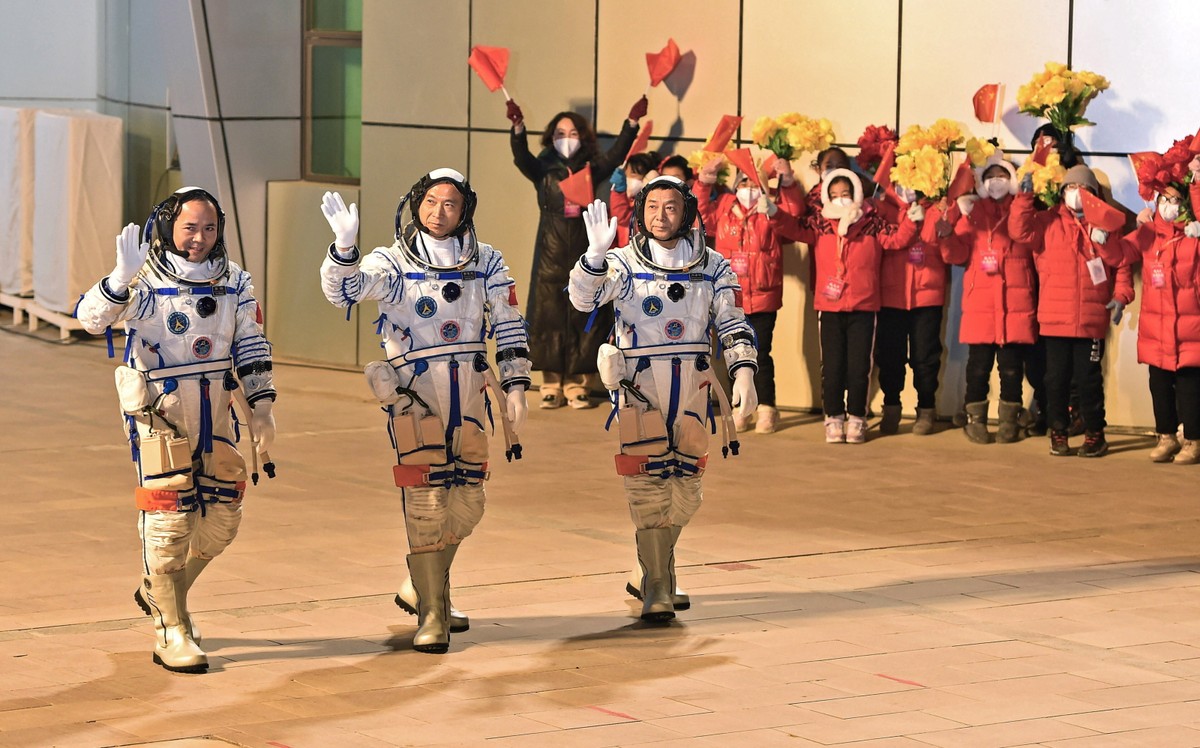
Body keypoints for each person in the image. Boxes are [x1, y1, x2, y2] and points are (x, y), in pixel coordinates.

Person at [318, 169, 531, 653]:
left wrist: (516, 384)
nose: (439, 212)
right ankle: (432, 613)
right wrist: (344, 248)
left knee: (470, 498)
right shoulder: (392, 262)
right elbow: (345, 292)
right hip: (416, 396)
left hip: (473, 392)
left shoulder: (487, 261)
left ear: (465, 209)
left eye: (450, 204)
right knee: (428, 502)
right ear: (416, 204)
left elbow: (510, 323)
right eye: (430, 202)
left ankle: (424, 585)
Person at [76, 187, 277, 674]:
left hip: (217, 410)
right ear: (167, 227)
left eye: (209, 228)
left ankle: (162, 590)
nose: (200, 239)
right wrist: (119, 278)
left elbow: (250, 343)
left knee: (224, 516)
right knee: (168, 522)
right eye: (189, 228)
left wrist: (262, 408)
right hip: (160, 413)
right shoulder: (144, 280)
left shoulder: (234, 282)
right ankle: (172, 627)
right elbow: (88, 319)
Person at [567, 176, 758, 622]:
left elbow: (733, 322)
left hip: (693, 385)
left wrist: (744, 372)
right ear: (640, 211)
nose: (660, 216)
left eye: (670, 207)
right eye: (652, 207)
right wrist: (594, 256)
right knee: (648, 484)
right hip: (640, 388)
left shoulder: (713, 266)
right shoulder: (622, 263)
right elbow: (582, 299)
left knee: (687, 487)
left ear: (687, 213)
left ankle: (654, 568)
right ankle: (656, 584)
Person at [507, 97, 646, 409]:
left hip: (584, 246)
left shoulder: (590, 169)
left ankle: (577, 384)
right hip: (550, 250)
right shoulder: (541, 169)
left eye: (572, 134)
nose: (565, 140)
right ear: (550, 137)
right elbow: (520, 157)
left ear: (583, 137)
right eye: (559, 133)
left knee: (583, 313)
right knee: (549, 315)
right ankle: (551, 383)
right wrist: (518, 127)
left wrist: (631, 123)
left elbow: (616, 155)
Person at [1009, 164, 1135, 456]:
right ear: (1061, 193)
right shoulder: (1046, 221)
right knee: (1055, 380)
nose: (1075, 195)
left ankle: (1094, 433)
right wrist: (1024, 198)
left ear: (1093, 194)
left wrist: (1121, 296)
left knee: (1089, 379)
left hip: (1091, 320)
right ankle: (1058, 431)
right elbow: (1019, 230)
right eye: (1069, 189)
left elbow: (1122, 264)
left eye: (1082, 190)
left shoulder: (1105, 225)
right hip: (1054, 320)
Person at [792, 168, 921, 443]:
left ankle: (857, 418)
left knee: (859, 366)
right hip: (829, 306)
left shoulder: (871, 223)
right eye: (834, 194)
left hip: (864, 305)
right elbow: (790, 228)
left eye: (846, 194)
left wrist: (912, 220)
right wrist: (773, 211)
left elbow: (898, 239)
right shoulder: (820, 223)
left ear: (857, 195)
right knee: (833, 365)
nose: (840, 199)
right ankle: (833, 417)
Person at [694, 153, 806, 433]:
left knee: (760, 352)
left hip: (764, 294)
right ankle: (740, 407)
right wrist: (705, 181)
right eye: (743, 182)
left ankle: (767, 407)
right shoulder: (724, 207)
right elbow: (698, 215)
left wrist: (788, 182)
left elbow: (793, 219)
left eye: (754, 182)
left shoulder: (771, 210)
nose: (747, 187)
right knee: (734, 351)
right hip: (729, 296)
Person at [943, 153, 1038, 443]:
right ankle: (975, 419)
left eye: (1002, 175)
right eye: (990, 176)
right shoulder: (972, 212)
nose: (996, 181)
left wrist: (1024, 198)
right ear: (982, 183)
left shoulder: (1024, 209)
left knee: (1011, 368)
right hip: (980, 305)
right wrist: (946, 235)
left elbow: (1027, 238)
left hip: (1015, 303)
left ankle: (1009, 420)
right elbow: (957, 255)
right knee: (978, 367)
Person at [1124, 159, 1200, 464]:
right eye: (1163, 199)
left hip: (1189, 331)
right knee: (1159, 385)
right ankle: (1166, 437)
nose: (1168, 204)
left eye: (1174, 199)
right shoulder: (1150, 233)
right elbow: (1121, 255)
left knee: (1190, 389)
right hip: (1156, 330)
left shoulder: (1193, 236)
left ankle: (1193, 441)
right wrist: (1109, 236)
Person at [874, 183, 952, 436]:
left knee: (925, 358)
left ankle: (926, 408)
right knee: (890, 357)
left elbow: (942, 245)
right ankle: (891, 407)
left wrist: (941, 212)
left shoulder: (938, 207)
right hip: (890, 295)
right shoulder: (883, 208)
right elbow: (885, 242)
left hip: (927, 295)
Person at [609, 151, 660, 247]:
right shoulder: (625, 199)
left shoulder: (651, 203)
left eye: (633, 174)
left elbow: (623, 217)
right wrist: (618, 192)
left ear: (647, 177)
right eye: (625, 174)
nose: (627, 178)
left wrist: (619, 193)